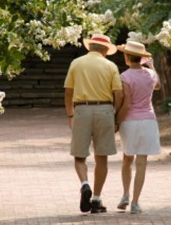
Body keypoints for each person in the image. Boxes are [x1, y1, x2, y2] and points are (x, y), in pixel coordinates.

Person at [64, 34, 123, 214]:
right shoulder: (111, 66)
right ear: (105, 50)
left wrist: (70, 114)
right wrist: (115, 115)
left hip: (81, 109)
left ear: (90, 47)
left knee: (80, 155)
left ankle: (84, 184)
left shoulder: (77, 63)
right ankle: (96, 200)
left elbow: (68, 92)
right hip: (105, 110)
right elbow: (119, 95)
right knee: (101, 156)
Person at [115, 40, 161, 214]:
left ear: (127, 57)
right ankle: (135, 202)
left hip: (129, 121)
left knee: (127, 159)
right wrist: (152, 66)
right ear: (141, 58)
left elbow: (126, 104)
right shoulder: (150, 74)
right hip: (148, 120)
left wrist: (117, 121)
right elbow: (158, 86)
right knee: (141, 163)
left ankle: (125, 194)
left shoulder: (124, 77)